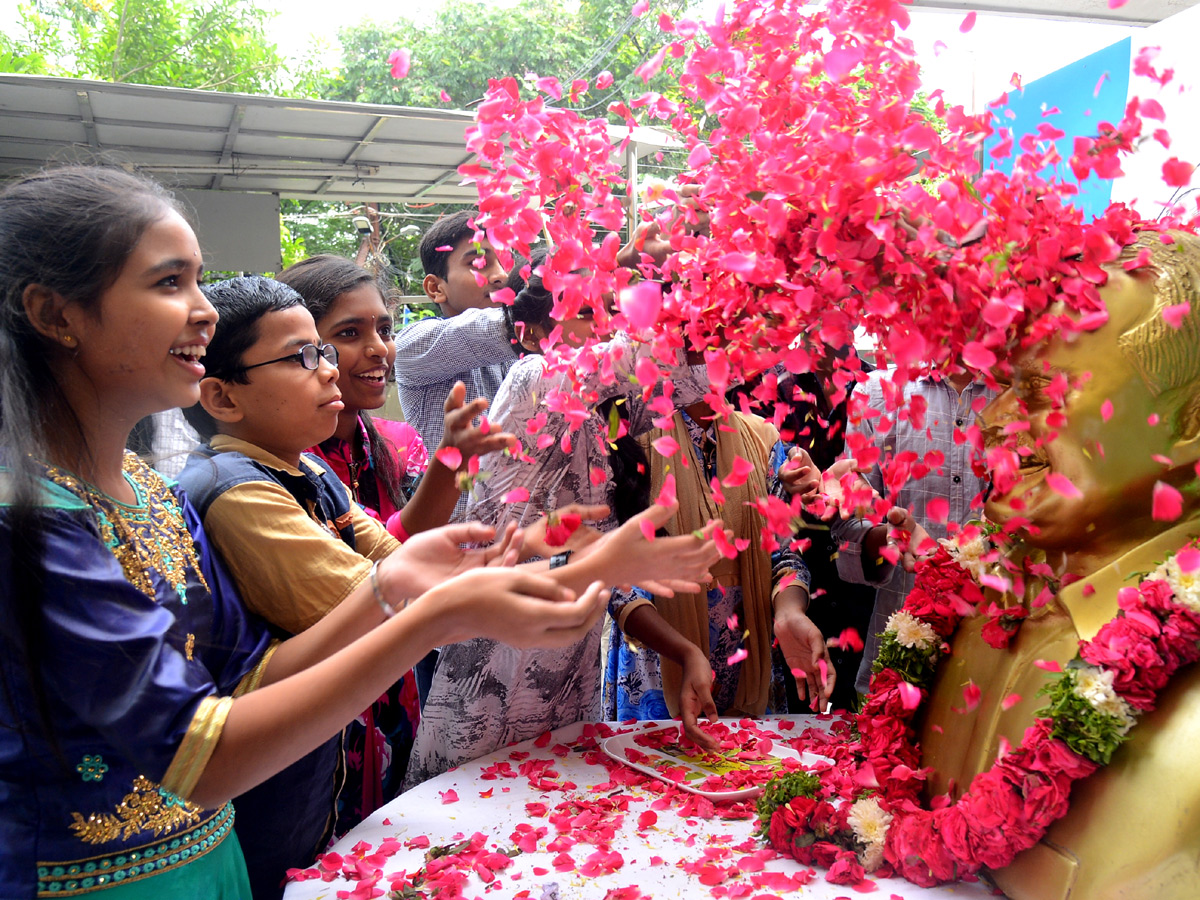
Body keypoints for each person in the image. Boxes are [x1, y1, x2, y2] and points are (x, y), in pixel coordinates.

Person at [0, 165, 611, 899]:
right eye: (169, 284)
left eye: (198, 282)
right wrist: (428, 612)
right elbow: (204, 755)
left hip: (215, 864)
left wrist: (400, 581)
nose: (202, 312)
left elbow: (250, 681)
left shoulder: (155, 496)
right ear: (55, 314)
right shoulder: (31, 524)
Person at [916, 230, 1200, 899]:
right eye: (1003, 388)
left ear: (1189, 423)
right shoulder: (969, 608)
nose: (994, 422)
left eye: (1041, 392)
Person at [406, 261, 728, 788]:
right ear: (531, 334)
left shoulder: (605, 422)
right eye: (584, 314)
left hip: (571, 690)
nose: (604, 328)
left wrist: (685, 650)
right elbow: (648, 358)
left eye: (610, 313)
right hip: (491, 684)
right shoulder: (531, 380)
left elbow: (605, 573)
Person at [604, 398, 828, 721]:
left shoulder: (761, 439)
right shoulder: (634, 440)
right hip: (659, 664)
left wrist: (789, 612)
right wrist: (685, 654)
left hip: (748, 664)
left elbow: (784, 552)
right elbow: (619, 580)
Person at [831, 366, 994, 693]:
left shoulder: (1023, 395)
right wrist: (889, 538)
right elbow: (847, 526)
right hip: (900, 660)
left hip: (996, 660)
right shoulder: (877, 392)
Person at [393, 210, 515, 457]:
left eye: (507, 263)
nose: (502, 275)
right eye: (478, 263)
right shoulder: (414, 345)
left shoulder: (518, 351)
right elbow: (483, 330)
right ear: (436, 288)